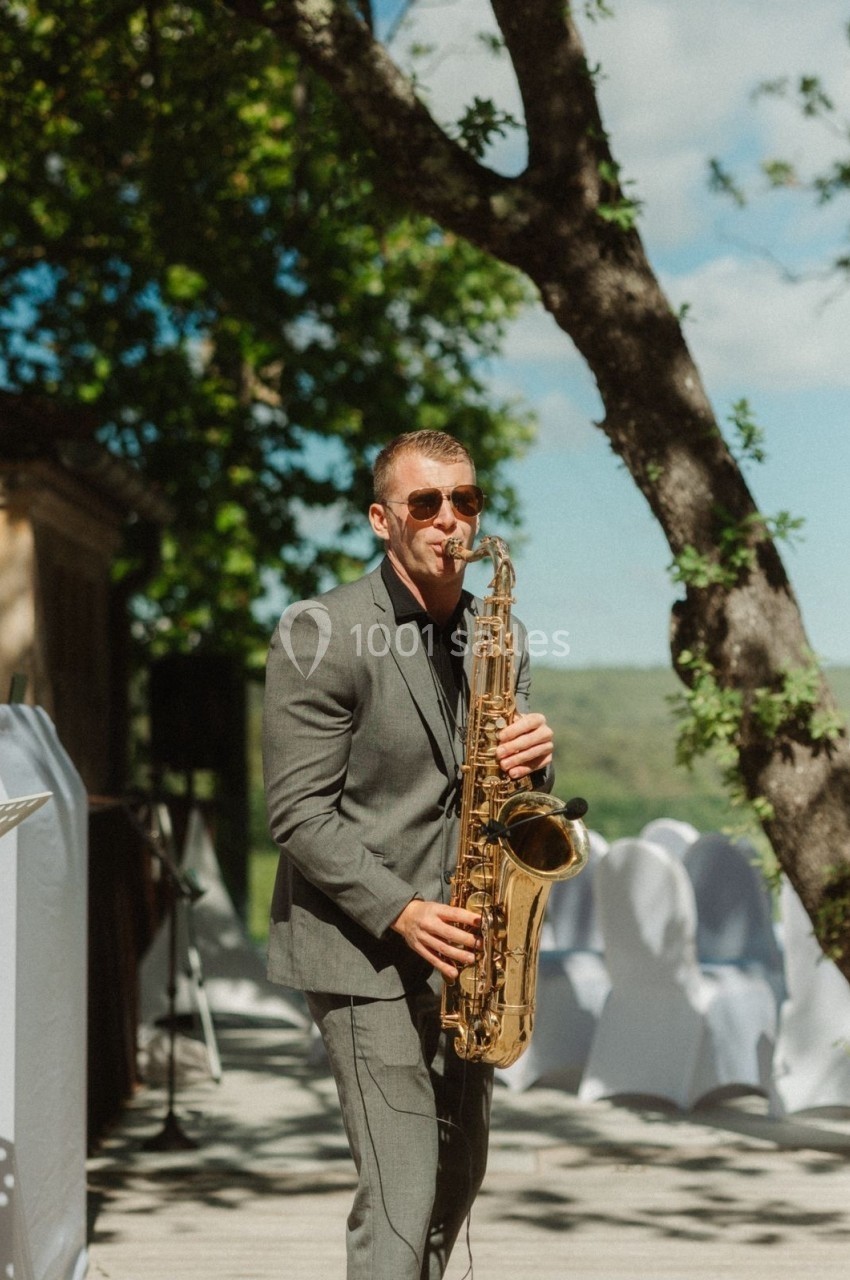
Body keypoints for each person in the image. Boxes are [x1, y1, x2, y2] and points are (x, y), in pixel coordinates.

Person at [262, 430, 555, 1279]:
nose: (449, 520)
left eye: (465, 500)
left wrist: (535, 767)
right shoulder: (319, 631)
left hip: (470, 947)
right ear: (381, 519)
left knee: (455, 1181)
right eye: (424, 503)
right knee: (400, 1195)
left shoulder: (499, 633)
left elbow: (506, 804)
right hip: (363, 949)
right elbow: (297, 814)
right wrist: (401, 910)